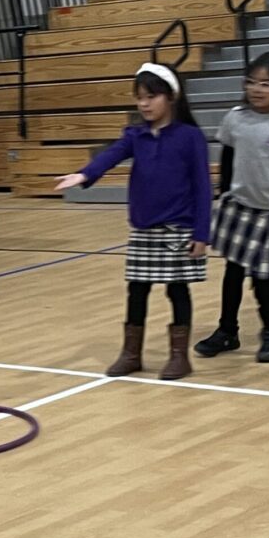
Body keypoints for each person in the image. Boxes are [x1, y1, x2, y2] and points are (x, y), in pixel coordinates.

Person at [53, 62, 211, 381]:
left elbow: (203, 187)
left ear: (171, 97)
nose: (144, 104)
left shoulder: (190, 137)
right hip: (143, 229)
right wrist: (85, 174)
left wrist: (202, 233)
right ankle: (131, 354)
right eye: (140, 98)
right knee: (136, 291)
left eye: (151, 96)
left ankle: (179, 357)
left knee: (177, 291)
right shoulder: (135, 135)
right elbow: (111, 155)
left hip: (178, 229)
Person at [196, 50, 269, 364]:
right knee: (232, 274)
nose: (256, 90)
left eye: (266, 84)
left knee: (268, 281)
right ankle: (227, 331)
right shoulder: (236, 117)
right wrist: (223, 194)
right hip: (241, 208)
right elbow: (228, 159)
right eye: (251, 82)